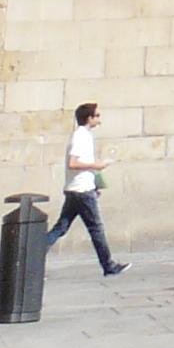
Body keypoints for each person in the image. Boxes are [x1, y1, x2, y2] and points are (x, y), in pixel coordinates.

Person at [47, 103, 128, 277]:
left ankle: (32, 257)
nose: (99, 119)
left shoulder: (84, 136)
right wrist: (97, 165)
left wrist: (96, 183)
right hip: (82, 192)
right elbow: (73, 163)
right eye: (97, 115)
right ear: (89, 118)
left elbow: (82, 165)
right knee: (96, 229)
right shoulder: (81, 136)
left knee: (61, 228)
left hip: (78, 189)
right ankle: (108, 265)